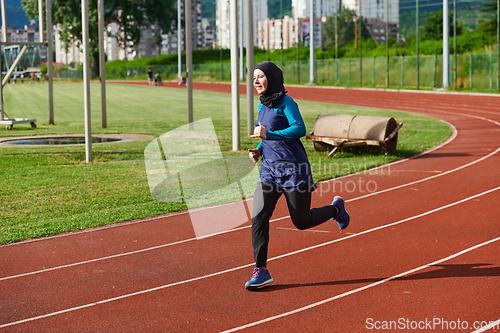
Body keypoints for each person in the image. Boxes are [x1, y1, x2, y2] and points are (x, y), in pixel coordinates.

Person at [245, 61, 351, 290]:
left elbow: (299, 129)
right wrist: (260, 151)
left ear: (272, 78)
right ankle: (260, 270)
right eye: (253, 77)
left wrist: (269, 134)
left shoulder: (286, 102)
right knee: (259, 218)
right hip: (269, 173)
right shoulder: (263, 105)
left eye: (260, 76)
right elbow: (265, 136)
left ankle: (336, 210)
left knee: (301, 221)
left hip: (294, 172)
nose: (255, 82)